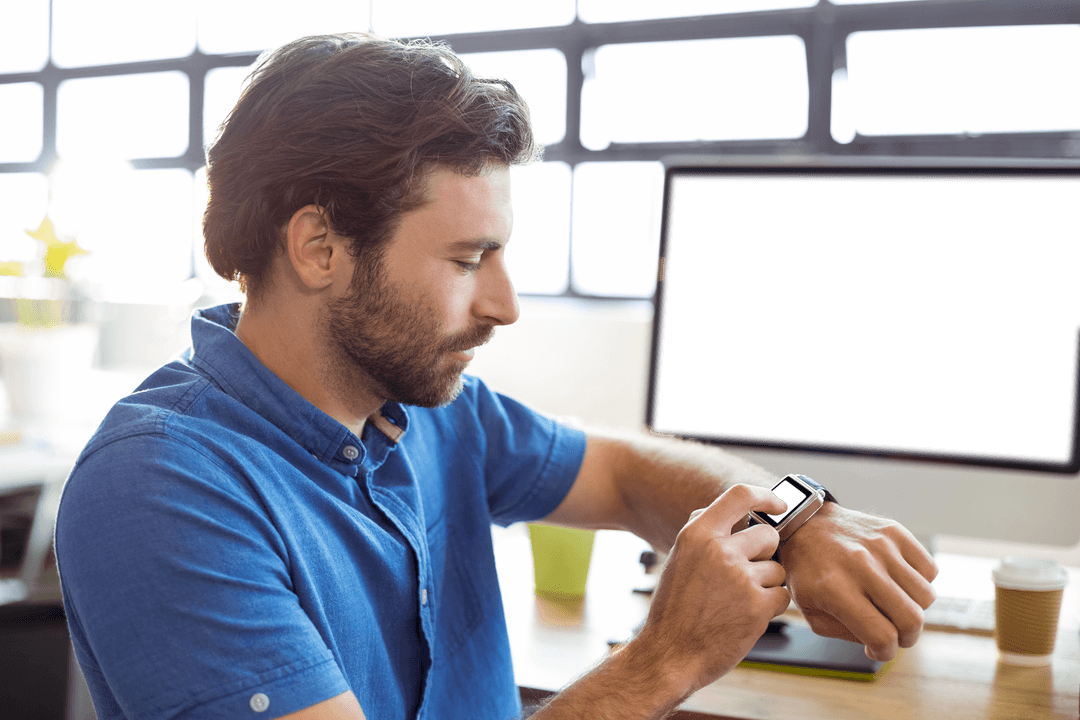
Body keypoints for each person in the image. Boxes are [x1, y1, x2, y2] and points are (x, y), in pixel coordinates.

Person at [54, 32, 938, 720]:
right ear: (318, 247)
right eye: (469, 259)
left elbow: (628, 476)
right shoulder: (160, 488)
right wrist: (664, 658)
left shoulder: (427, 405)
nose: (506, 306)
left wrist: (802, 521)